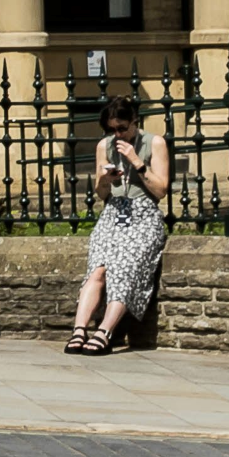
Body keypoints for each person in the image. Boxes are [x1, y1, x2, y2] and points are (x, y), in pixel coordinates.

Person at [65, 96, 169, 354]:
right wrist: (104, 179)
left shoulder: (154, 143)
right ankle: (79, 330)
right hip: (113, 215)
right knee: (98, 270)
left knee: (125, 268)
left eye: (122, 128)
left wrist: (136, 161)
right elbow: (101, 194)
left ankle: (105, 332)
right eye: (112, 129)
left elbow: (161, 191)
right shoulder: (105, 146)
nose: (117, 134)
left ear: (135, 121)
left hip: (143, 216)